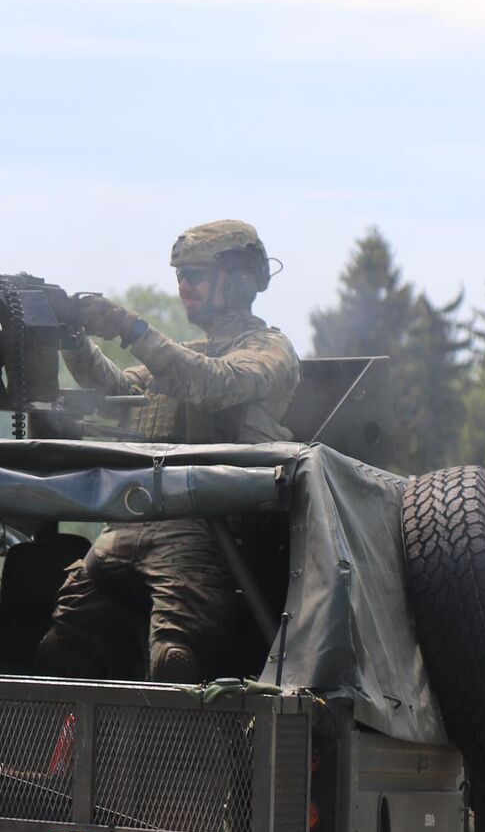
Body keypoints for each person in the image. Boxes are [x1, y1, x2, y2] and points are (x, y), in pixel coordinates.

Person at [34, 219, 300, 682]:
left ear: (239, 281)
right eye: (180, 276)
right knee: (61, 647)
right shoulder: (181, 355)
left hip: (205, 527)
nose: (184, 286)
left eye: (196, 275)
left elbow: (213, 383)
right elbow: (115, 391)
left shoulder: (270, 350)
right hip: (131, 520)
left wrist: (130, 328)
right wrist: (74, 338)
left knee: (174, 657)